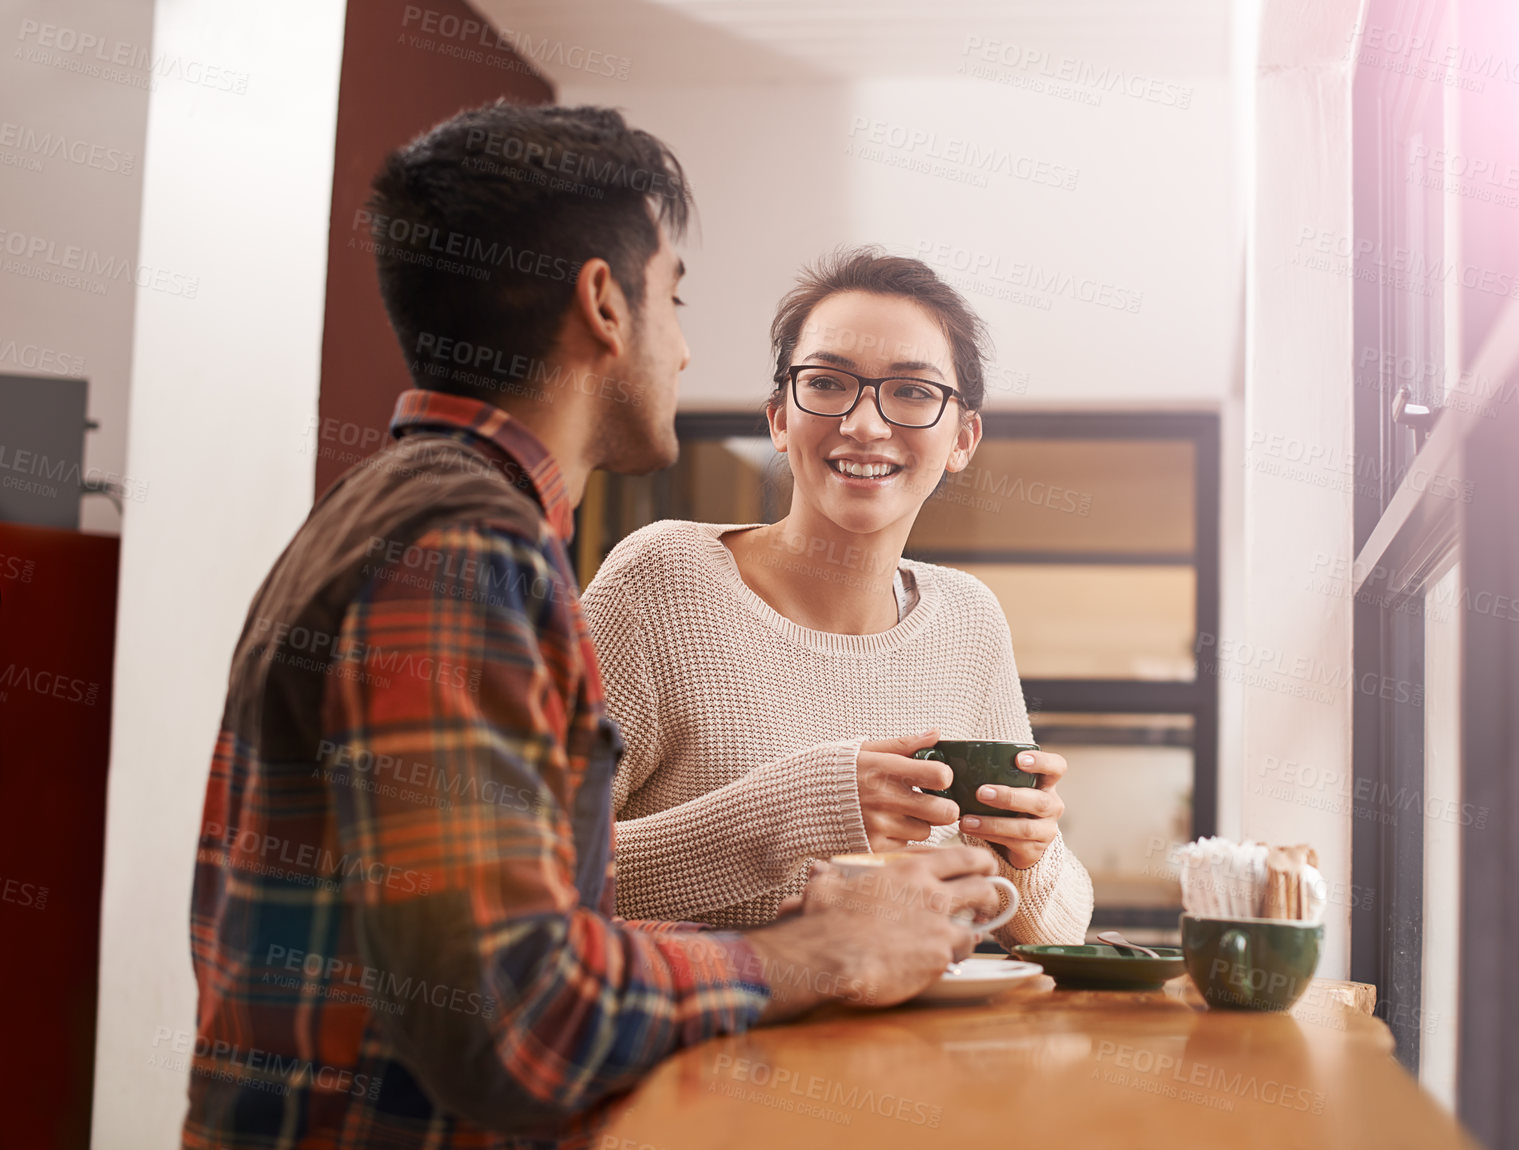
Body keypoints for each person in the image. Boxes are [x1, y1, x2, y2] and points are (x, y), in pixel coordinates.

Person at [183, 104, 1005, 1150]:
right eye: (673, 295)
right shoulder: (461, 551)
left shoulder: (408, 512)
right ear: (605, 303)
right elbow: (517, 1012)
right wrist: (817, 950)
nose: (684, 345)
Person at [582, 248, 1094, 944]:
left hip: (919, 1049)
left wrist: (1031, 860)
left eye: (912, 392)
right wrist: (802, 808)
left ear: (963, 439)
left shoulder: (969, 619)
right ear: (779, 419)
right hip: (705, 1047)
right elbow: (529, 874)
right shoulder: (662, 581)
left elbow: (1055, 935)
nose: (865, 424)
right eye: (827, 383)